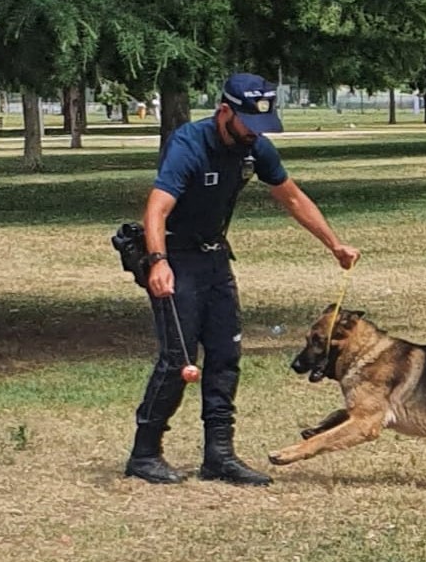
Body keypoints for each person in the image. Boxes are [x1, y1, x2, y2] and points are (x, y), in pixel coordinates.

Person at [124, 72, 360, 486]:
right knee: (178, 361)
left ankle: (218, 456)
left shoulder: (255, 149)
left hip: (215, 260)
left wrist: (334, 245)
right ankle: (145, 454)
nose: (256, 133)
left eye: (262, 126)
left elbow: (292, 196)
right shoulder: (188, 144)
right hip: (176, 259)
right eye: (249, 124)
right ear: (224, 112)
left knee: (225, 358)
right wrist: (158, 262)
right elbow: (157, 209)